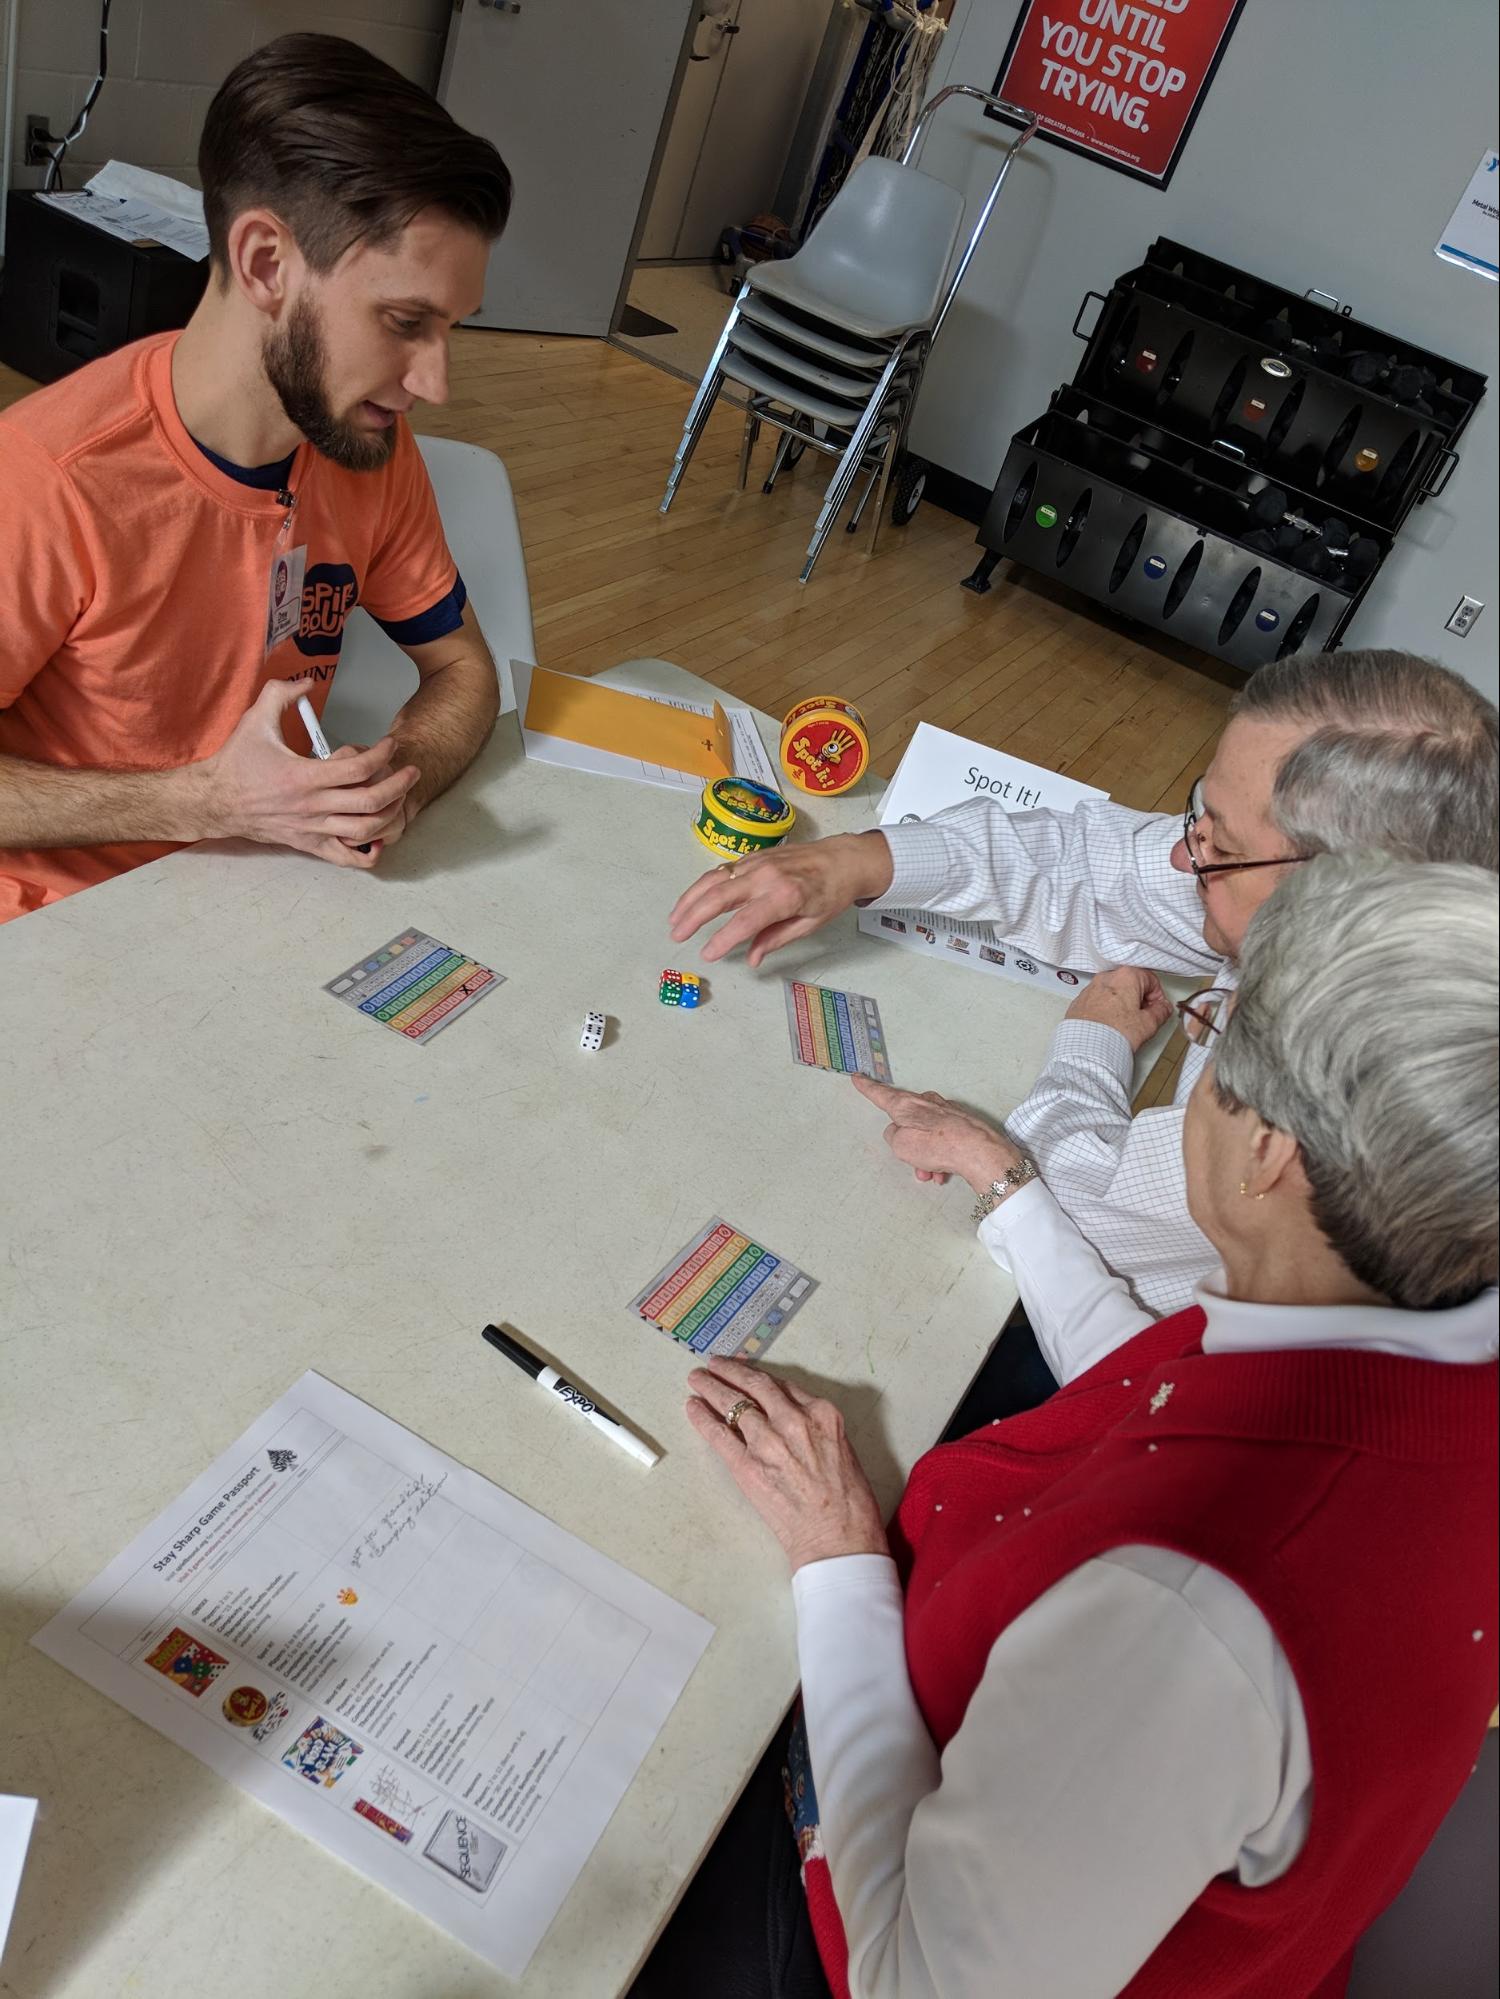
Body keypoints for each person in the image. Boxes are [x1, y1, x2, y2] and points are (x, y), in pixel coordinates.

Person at [645, 853, 1499, 1999]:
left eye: (1212, 1043)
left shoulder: (1188, 1616)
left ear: (1269, 1155)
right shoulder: (1414, 1325)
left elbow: (911, 1982)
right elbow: (1171, 1403)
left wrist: (837, 1553)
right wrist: (1012, 1192)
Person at [669, 650, 1499, 1362]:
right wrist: (862, 857)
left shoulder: (1354, 1111)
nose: (1183, 853)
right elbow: (1091, 862)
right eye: (1199, 814)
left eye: (1220, 846)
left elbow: (1079, 1198)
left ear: (1328, 904)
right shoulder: (1404, 894)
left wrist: (1091, 1049)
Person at [0, 34, 512, 925]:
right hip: (60, 933)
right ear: (267, 263)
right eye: (403, 320)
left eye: (452, 328)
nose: (434, 382)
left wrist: (398, 776)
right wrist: (211, 801)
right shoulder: (49, 479)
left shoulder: (369, 447)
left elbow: (462, 665)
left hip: (273, 900)